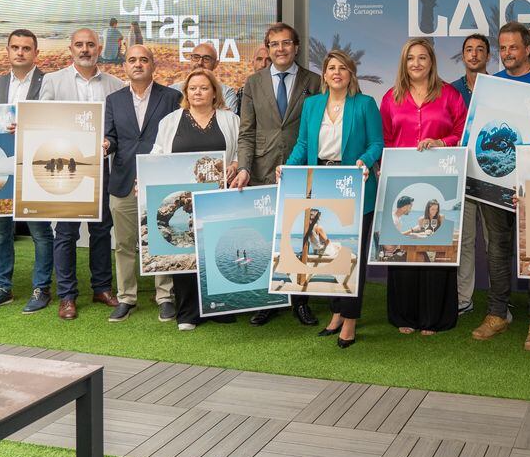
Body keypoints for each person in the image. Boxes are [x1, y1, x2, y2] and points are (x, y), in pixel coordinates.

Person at [471, 21, 530, 351]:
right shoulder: (491, 86)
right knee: (497, 248)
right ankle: (498, 313)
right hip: (494, 182)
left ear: (529, 49)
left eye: (513, 47)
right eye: (503, 47)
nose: (507, 53)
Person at [284, 48, 383, 348]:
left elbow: (377, 142)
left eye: (342, 67)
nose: (336, 72)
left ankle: (350, 320)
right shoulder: (313, 105)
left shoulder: (365, 104)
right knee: (328, 252)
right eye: (330, 68)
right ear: (324, 75)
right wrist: (287, 169)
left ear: (351, 73)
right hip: (321, 185)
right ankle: (337, 312)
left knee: (351, 256)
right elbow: (303, 144)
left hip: (354, 184)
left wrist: (364, 161)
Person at [233, 22, 323, 327]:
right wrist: (244, 167)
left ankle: (300, 301)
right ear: (267, 49)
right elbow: (246, 133)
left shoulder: (315, 81)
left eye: (286, 43)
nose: (281, 49)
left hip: (301, 169)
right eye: (274, 44)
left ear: (296, 47)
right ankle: (268, 301)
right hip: (262, 170)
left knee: (300, 236)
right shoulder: (253, 83)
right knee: (266, 237)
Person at [380, 38, 468, 336]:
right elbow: (386, 138)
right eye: (410, 59)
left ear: (432, 61)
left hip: (440, 180)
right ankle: (404, 314)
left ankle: (434, 317)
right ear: (403, 64)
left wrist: (442, 142)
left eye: (422, 58)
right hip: (401, 181)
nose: (416, 63)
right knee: (405, 242)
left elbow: (462, 131)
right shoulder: (391, 97)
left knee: (435, 242)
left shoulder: (450, 95)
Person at [39, 28, 124, 320]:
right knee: (65, 232)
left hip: (101, 167)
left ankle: (101, 288)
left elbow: (117, 131)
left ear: (99, 48)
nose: (85, 49)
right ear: (70, 48)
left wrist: (108, 143)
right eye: (79, 45)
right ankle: (67, 296)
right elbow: (41, 123)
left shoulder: (115, 84)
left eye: (90, 45)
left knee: (102, 230)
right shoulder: (52, 81)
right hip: (66, 168)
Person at [151, 67, 242, 330]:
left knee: (217, 248)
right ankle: (188, 313)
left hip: (219, 196)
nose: (198, 92)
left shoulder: (229, 119)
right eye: (193, 88)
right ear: (186, 93)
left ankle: (217, 307)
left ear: (214, 92)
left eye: (204, 87)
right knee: (186, 249)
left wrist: (235, 165)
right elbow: (157, 155)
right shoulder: (171, 121)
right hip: (183, 198)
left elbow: (240, 152)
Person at [103, 44, 182, 323]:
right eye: (132, 60)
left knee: (161, 238)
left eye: (144, 60)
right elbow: (112, 137)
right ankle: (126, 297)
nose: (138, 64)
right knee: (124, 243)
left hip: (159, 180)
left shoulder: (172, 97)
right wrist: (106, 144)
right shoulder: (114, 100)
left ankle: (164, 297)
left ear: (153, 66)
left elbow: (176, 136)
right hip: (123, 181)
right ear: (124, 66)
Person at [0, 29, 51, 313]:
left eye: (26, 48)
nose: (20, 52)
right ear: (6, 51)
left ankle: (41, 288)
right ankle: (2, 288)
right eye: (15, 47)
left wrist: (30, 126)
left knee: (40, 232)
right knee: (0, 231)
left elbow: (57, 121)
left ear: (35, 53)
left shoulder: (49, 83)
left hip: (34, 165)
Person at [450, 33, 490, 317]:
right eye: (469, 50)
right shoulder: (450, 91)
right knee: (463, 240)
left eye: (479, 50)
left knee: (495, 242)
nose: (474, 54)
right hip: (460, 173)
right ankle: (464, 298)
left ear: (488, 56)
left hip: (492, 175)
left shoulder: (501, 87)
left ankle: (499, 301)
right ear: (462, 55)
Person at [171, 42, 239, 111]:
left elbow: (228, 119)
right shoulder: (173, 90)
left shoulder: (226, 92)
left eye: (206, 58)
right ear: (191, 60)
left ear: (216, 64)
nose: (200, 62)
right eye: (196, 57)